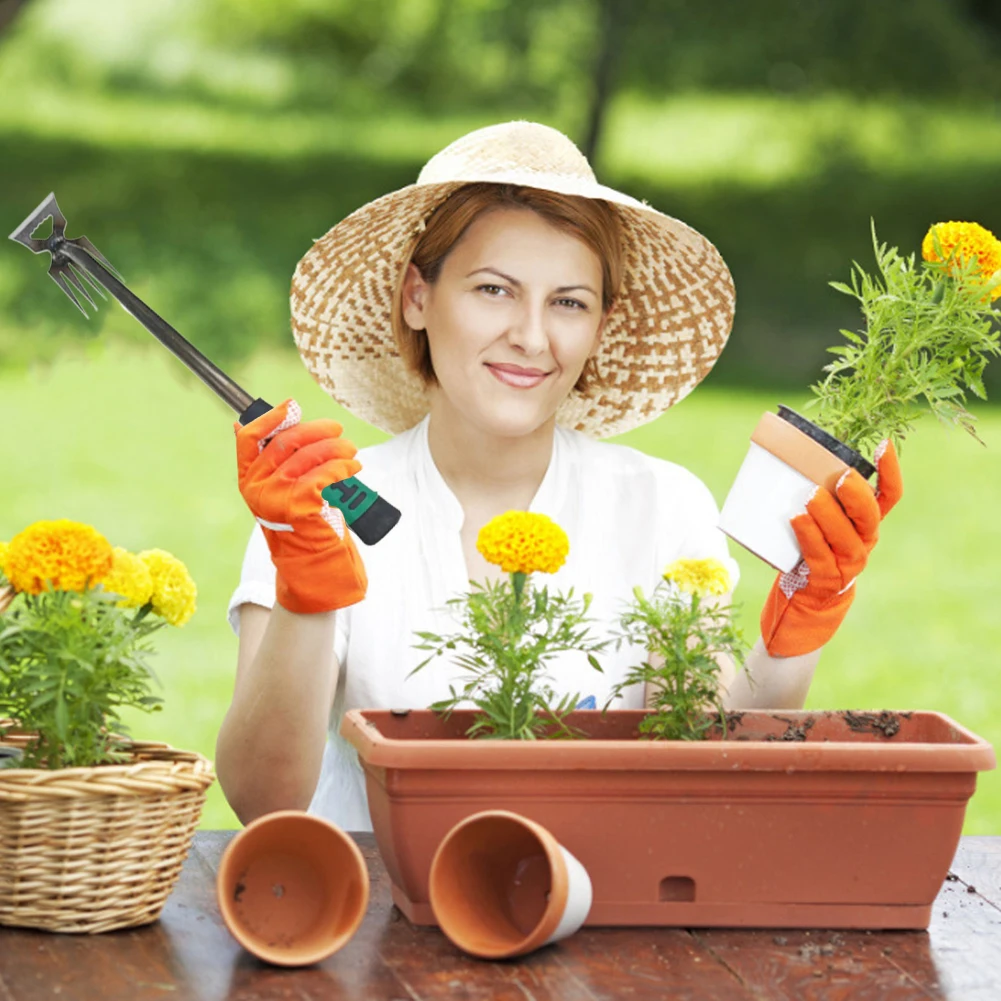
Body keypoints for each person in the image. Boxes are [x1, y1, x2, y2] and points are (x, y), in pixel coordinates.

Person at [215, 121, 902, 830]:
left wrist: (797, 627)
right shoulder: (314, 508)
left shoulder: (662, 505)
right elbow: (264, 799)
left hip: (606, 911)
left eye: (568, 302)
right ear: (417, 297)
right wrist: (305, 584)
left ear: (601, 325)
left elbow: (709, 764)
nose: (531, 336)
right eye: (493, 289)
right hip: (376, 916)